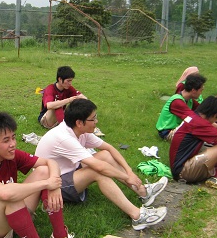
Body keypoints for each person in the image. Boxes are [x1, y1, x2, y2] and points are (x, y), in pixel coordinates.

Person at [0, 111, 90, 238]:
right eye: (6, 140)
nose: (13, 144)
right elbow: (5, 193)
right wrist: (47, 184)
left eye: (13, 138)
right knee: (10, 194)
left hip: (11, 211)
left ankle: (60, 236)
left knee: (44, 171)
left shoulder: (10, 155)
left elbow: (50, 162)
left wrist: (54, 182)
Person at [35, 99, 168, 231]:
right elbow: (99, 167)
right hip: (53, 187)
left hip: (68, 172)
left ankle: (143, 192)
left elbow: (109, 148)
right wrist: (127, 177)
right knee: (98, 172)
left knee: (105, 155)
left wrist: (130, 172)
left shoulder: (78, 130)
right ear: (79, 123)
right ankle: (138, 216)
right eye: (93, 119)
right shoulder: (64, 137)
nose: (96, 121)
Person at [156, 73, 217, 141]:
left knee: (202, 129)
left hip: (179, 129)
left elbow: (205, 112)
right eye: (201, 90)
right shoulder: (177, 101)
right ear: (193, 90)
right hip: (167, 132)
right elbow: (196, 120)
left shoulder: (190, 100)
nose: (201, 93)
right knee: (200, 130)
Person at [38, 66, 104, 136]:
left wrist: (82, 99)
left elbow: (83, 99)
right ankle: (66, 127)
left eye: (71, 81)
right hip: (46, 119)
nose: (70, 83)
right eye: (68, 81)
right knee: (56, 104)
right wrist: (69, 100)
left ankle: (88, 125)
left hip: (60, 117)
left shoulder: (69, 88)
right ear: (60, 79)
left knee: (79, 104)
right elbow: (49, 105)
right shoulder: (50, 88)